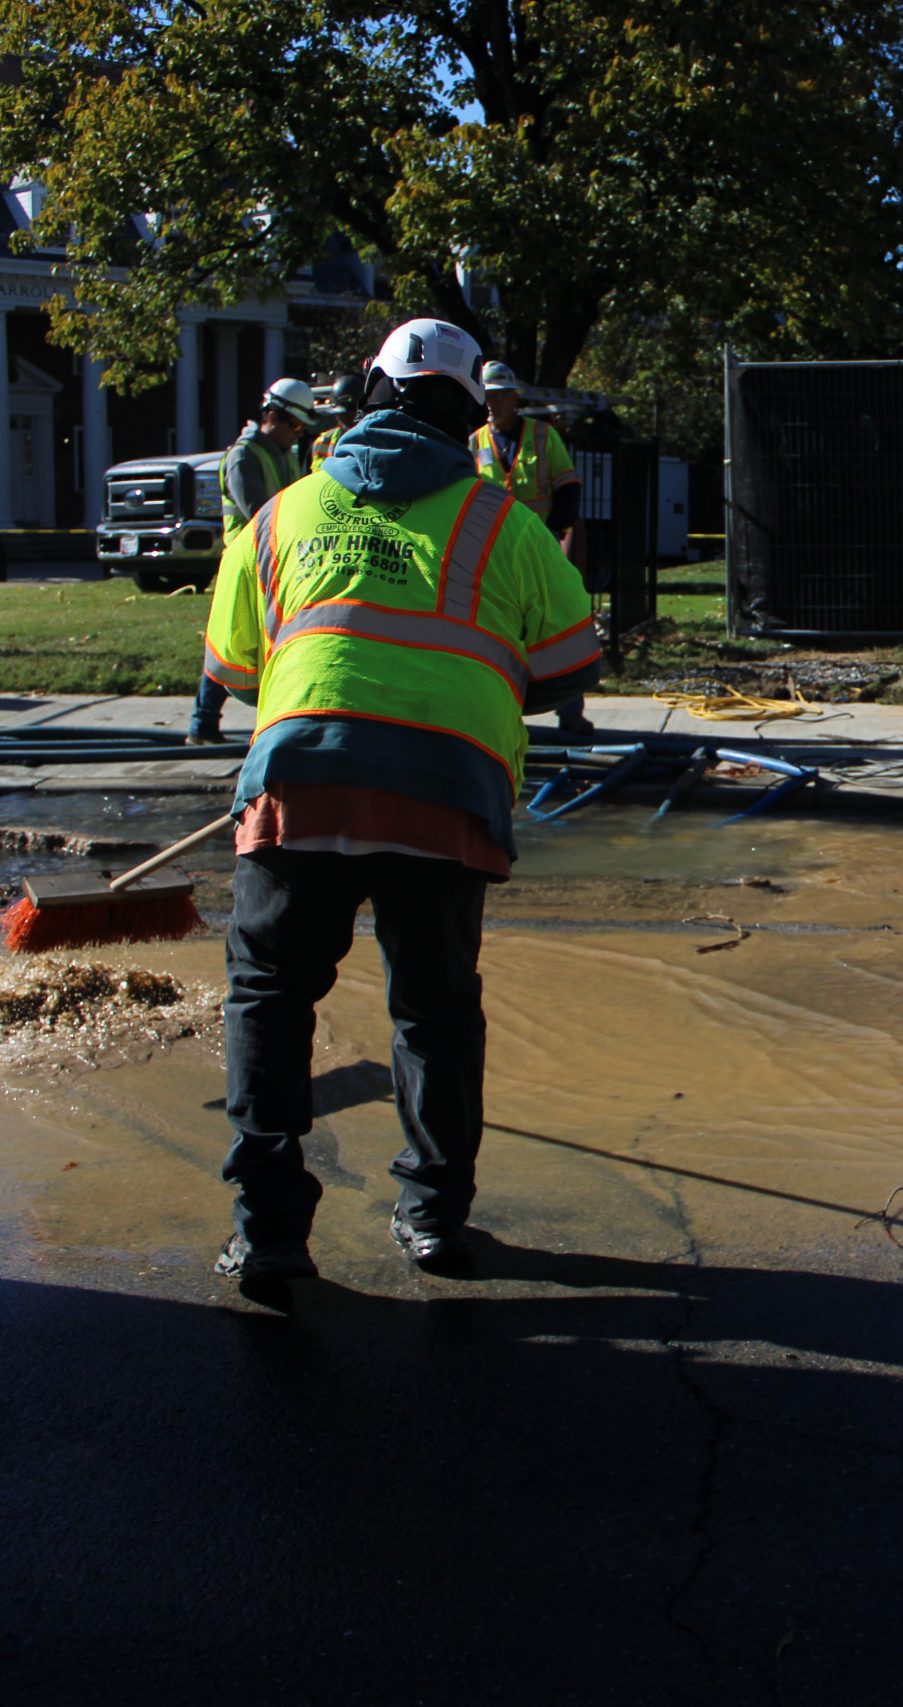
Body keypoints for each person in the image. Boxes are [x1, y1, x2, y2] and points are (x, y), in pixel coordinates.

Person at [199, 318, 600, 1280]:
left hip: (304, 780)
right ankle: (433, 1219)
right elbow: (567, 665)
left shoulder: (282, 513)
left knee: (270, 990)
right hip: (447, 790)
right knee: (434, 1012)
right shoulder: (506, 526)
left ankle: (269, 1230)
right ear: (466, 414)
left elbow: (235, 667)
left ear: (368, 392)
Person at [188, 378, 319, 744]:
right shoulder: (244, 455)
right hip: (245, 564)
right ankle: (202, 724)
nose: (297, 434)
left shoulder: (285, 454)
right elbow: (259, 513)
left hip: (279, 561)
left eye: (302, 428)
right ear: (272, 416)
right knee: (229, 643)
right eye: (293, 426)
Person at [471, 361, 593, 741]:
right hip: (494, 554)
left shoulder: (542, 436)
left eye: (497, 396)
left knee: (555, 628)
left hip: (539, 548)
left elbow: (568, 487)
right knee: (501, 635)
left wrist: (556, 532)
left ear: (513, 397)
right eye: (485, 397)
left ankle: (570, 712)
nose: (491, 404)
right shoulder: (474, 442)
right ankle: (503, 715)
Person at [307, 371, 365, 467]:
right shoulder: (322, 443)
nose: (346, 419)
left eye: (352, 413)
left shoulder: (376, 443)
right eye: (341, 414)